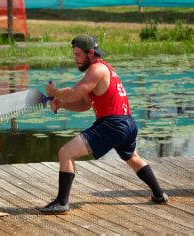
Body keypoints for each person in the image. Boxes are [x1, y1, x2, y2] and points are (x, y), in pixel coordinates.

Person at [38, 35, 168, 215]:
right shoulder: (104, 68)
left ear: (90, 53)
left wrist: (55, 92)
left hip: (112, 124)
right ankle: (159, 194)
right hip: (127, 123)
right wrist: (62, 103)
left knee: (66, 153)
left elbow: (76, 93)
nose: (75, 59)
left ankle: (61, 203)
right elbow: (84, 104)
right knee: (132, 158)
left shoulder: (96, 69)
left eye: (77, 55)